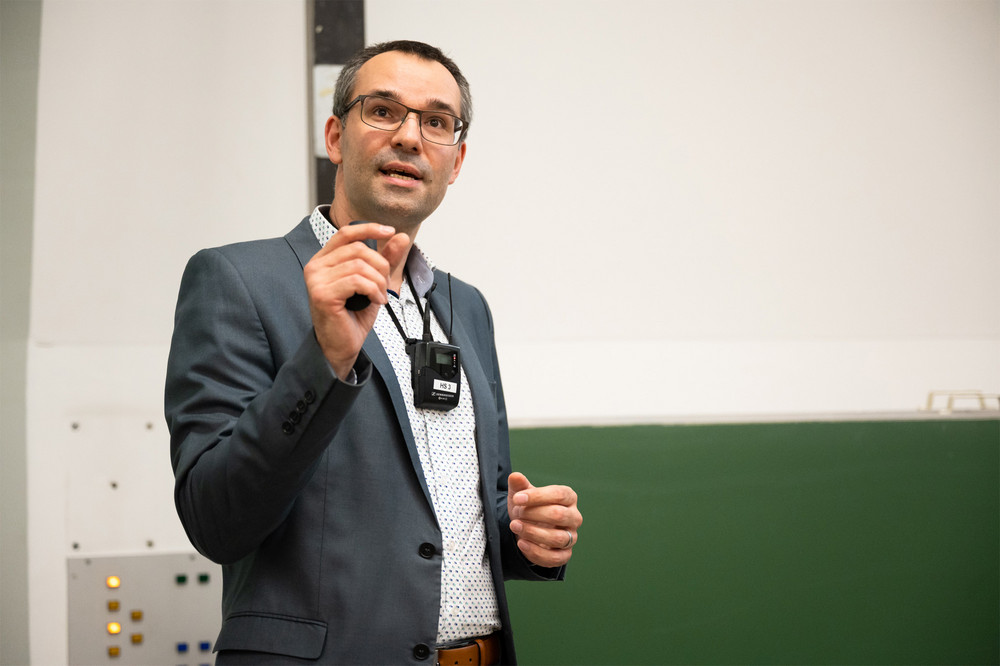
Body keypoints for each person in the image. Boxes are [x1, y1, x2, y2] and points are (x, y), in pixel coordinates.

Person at [164, 40, 582, 665]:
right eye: (383, 111)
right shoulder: (238, 280)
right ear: (336, 137)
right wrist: (325, 360)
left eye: (436, 122)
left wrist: (522, 530)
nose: (410, 137)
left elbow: (457, 510)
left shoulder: (466, 305)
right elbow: (215, 519)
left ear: (456, 161)